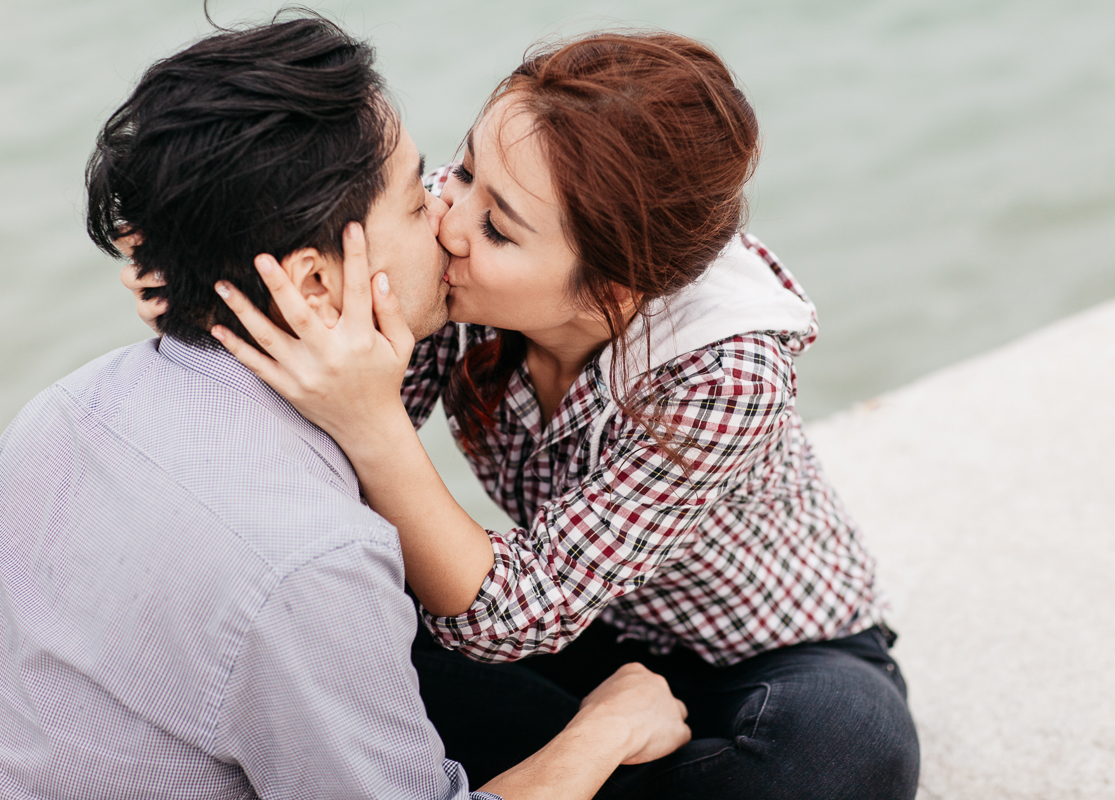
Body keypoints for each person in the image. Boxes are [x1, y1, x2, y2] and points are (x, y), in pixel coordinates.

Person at [131, 31, 920, 800]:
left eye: (497, 228)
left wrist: (374, 423)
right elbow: (314, 435)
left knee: (845, 753)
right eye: (465, 169)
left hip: (764, 656)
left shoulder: (726, 372)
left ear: (609, 290)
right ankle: (591, 758)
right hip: (577, 645)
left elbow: (512, 613)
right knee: (325, 628)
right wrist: (202, 289)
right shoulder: (460, 234)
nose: (448, 221)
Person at [0, 16, 693, 800]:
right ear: (316, 283)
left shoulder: (57, 414)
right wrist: (604, 730)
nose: (445, 220)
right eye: (415, 197)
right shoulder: (311, 562)